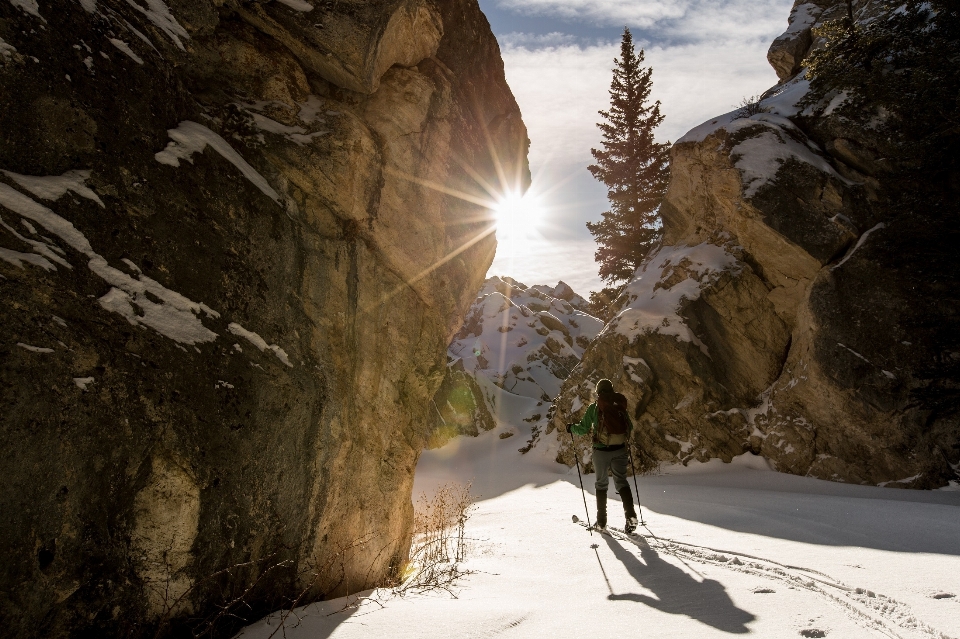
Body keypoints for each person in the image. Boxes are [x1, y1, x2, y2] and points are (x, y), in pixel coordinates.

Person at [567, 378, 639, 533]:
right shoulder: (620, 406)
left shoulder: (595, 407)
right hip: (620, 449)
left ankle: (601, 522)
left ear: (598, 392)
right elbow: (630, 427)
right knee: (621, 482)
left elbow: (583, 428)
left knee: (601, 484)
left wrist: (571, 428)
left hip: (601, 451)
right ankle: (630, 515)